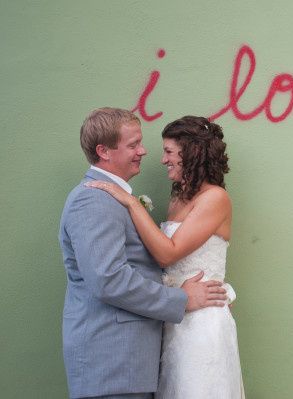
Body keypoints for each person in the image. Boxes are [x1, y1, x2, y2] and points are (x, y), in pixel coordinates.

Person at [59, 108, 227, 399]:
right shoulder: (93, 200)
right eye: (133, 144)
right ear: (104, 151)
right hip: (113, 365)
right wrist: (183, 299)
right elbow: (108, 279)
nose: (144, 151)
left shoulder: (116, 197)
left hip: (136, 363)